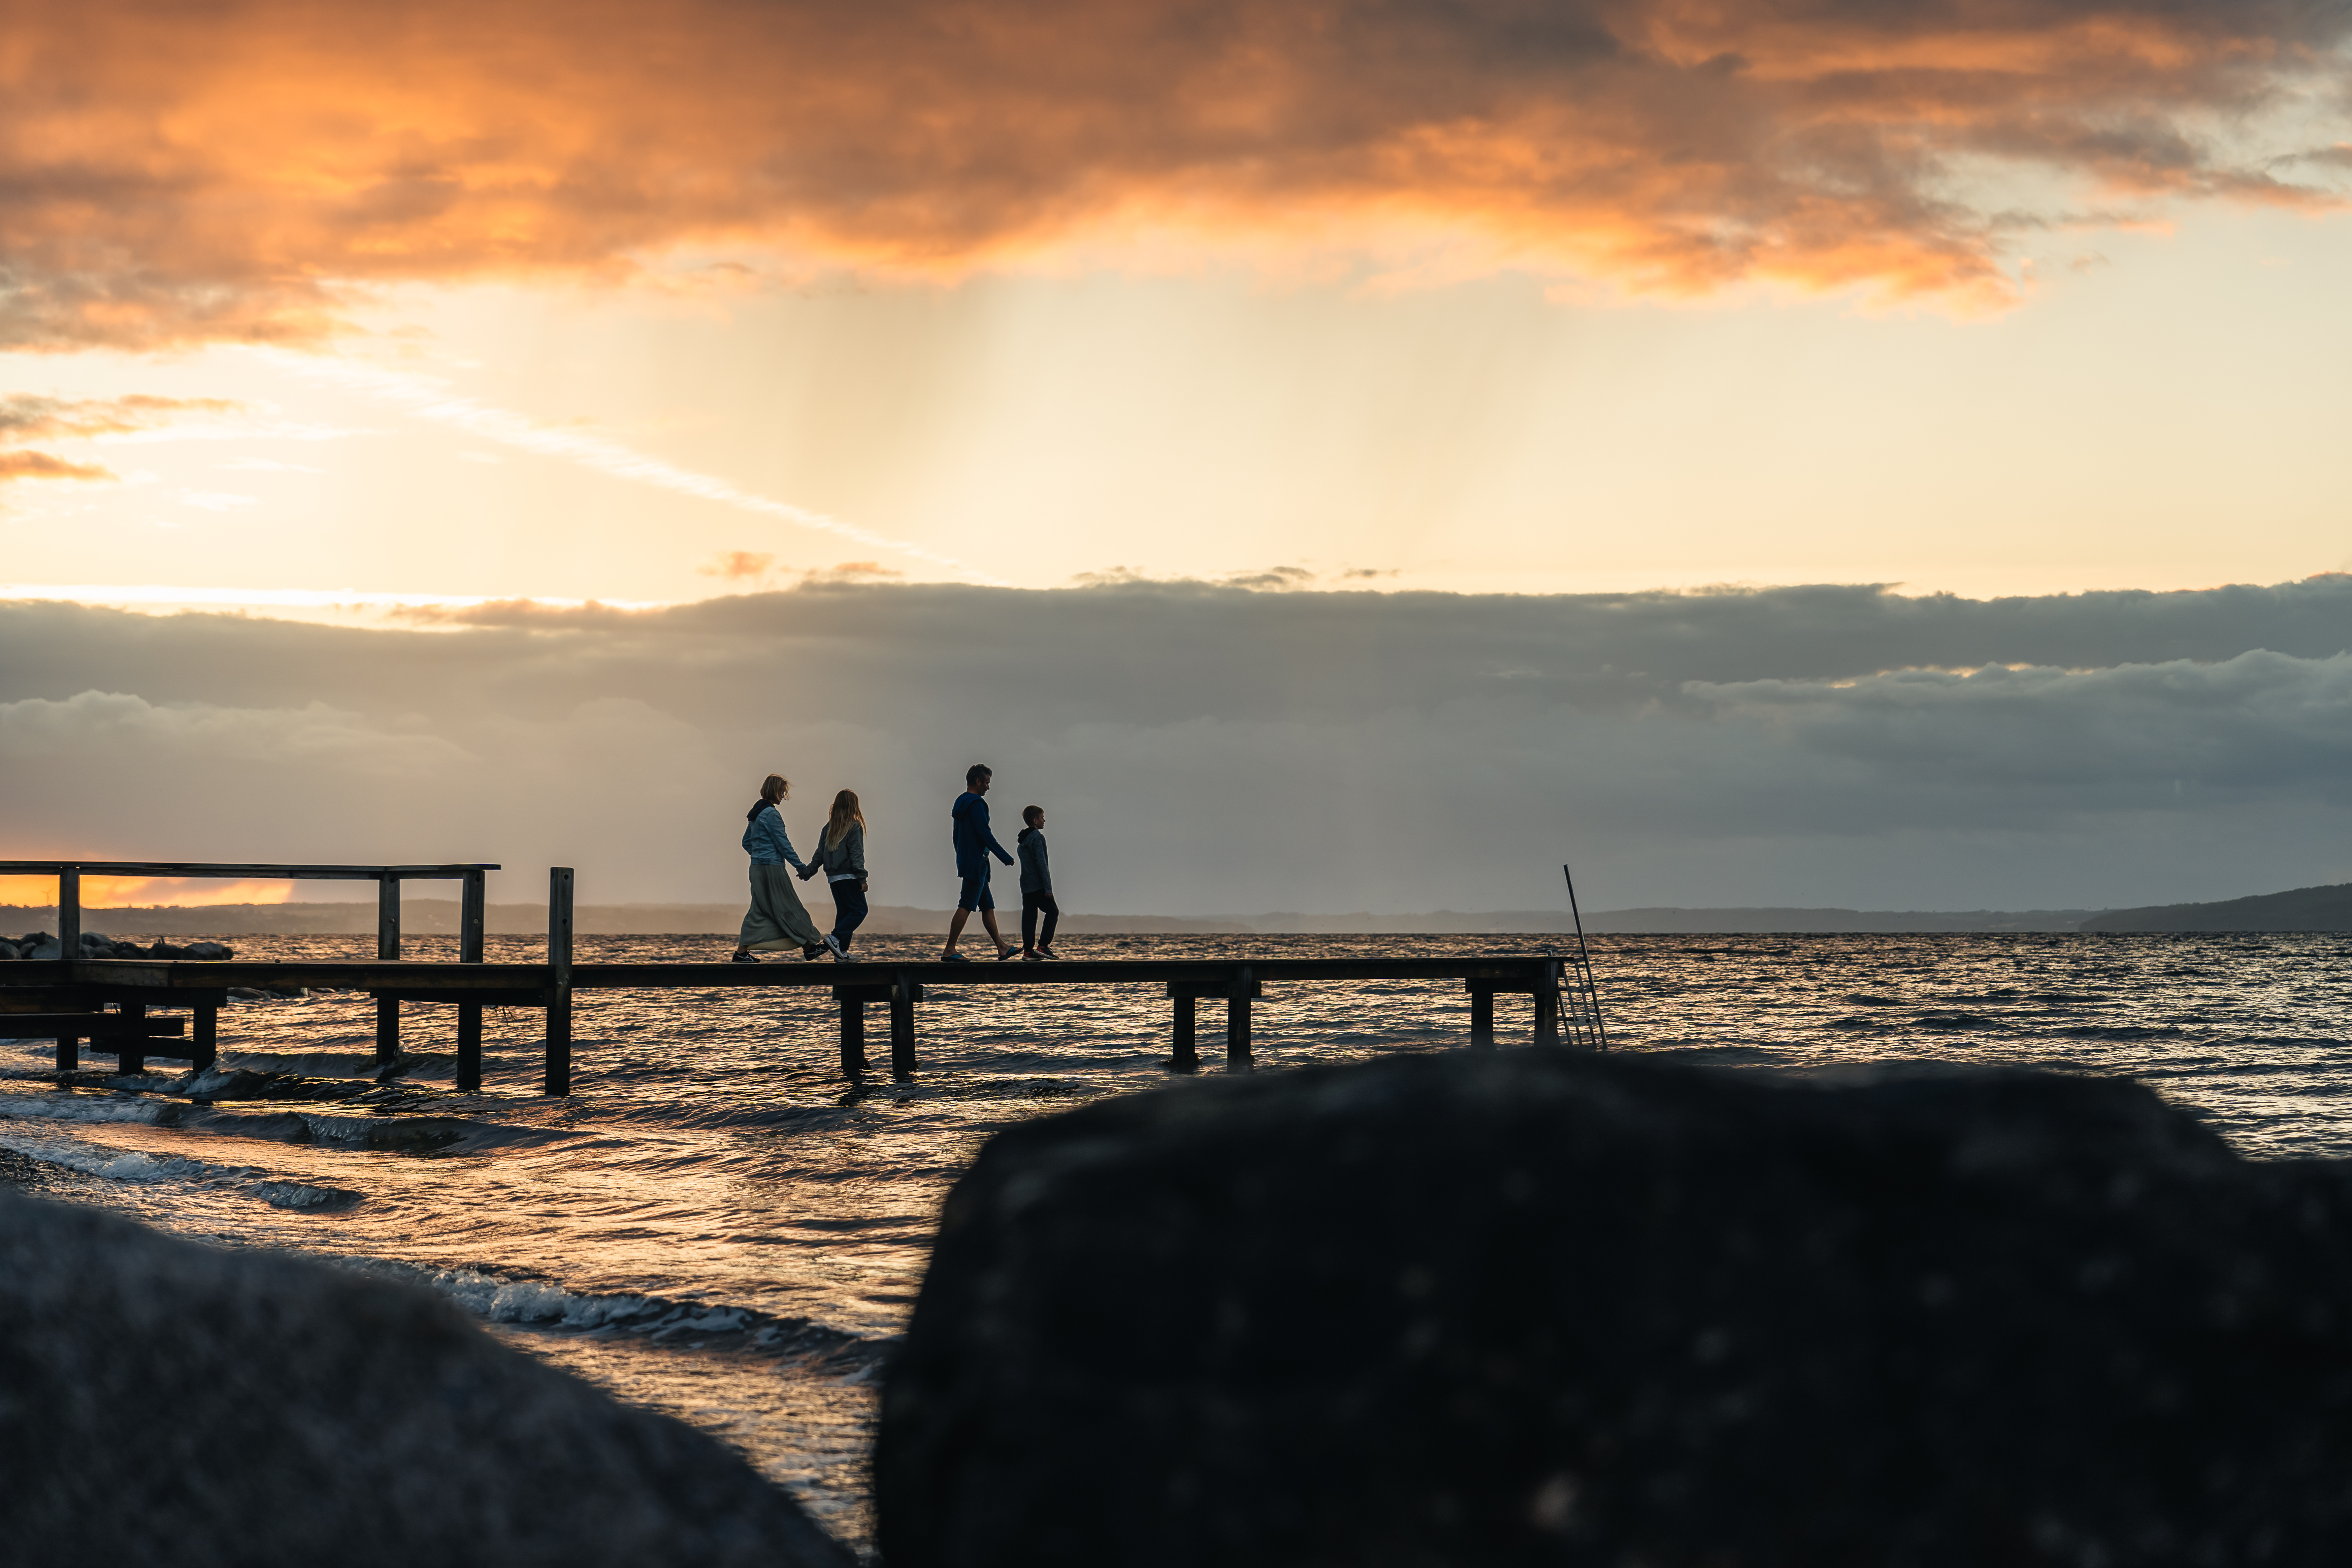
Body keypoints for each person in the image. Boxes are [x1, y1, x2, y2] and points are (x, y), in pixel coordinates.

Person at [732, 774, 827, 963]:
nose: (784, 796)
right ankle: (809, 948)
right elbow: (784, 845)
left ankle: (741, 953)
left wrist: (759, 855)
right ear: (775, 791)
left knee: (759, 911)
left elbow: (746, 843)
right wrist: (801, 867)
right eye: (782, 792)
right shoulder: (771, 814)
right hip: (773, 870)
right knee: (790, 906)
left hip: (756, 869)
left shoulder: (756, 813)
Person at [942, 763, 1017, 962]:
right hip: (977, 862)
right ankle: (949, 950)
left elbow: (956, 837)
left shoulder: (961, 802)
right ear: (978, 781)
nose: (988, 787)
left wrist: (963, 856)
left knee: (987, 906)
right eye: (986, 783)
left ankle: (1002, 947)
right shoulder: (977, 804)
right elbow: (985, 833)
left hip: (968, 859)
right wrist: (1005, 856)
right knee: (966, 904)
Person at [800, 788, 869, 960]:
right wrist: (862, 878)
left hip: (833, 879)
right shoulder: (854, 826)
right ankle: (835, 939)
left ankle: (841, 953)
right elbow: (857, 854)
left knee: (845, 914)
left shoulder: (828, 827)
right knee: (860, 910)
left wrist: (809, 872)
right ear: (853, 806)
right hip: (849, 877)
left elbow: (819, 854)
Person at [1017, 804, 1059, 961]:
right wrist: (1048, 888)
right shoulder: (1037, 837)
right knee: (1053, 912)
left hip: (1026, 886)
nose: (1044, 821)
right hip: (1038, 885)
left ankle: (1028, 952)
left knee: (1029, 918)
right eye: (1042, 818)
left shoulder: (1022, 841)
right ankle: (1043, 946)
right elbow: (1042, 863)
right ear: (1035, 820)